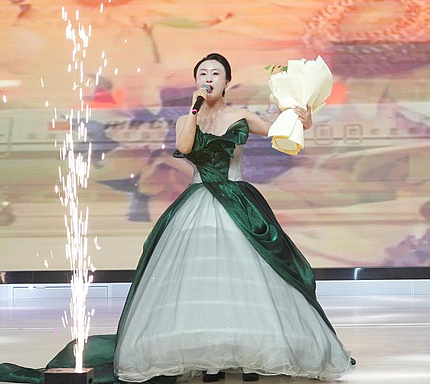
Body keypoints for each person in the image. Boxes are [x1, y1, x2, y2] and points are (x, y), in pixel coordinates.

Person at [0, 53, 353, 383]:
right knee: (204, 280)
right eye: (203, 74)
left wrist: (304, 118)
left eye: (216, 73)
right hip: (197, 201)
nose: (209, 78)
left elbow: (279, 132)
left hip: (238, 201)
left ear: (227, 81)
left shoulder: (243, 116)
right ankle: (209, 358)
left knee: (245, 278)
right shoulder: (187, 119)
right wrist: (194, 111)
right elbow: (185, 148)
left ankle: (250, 357)